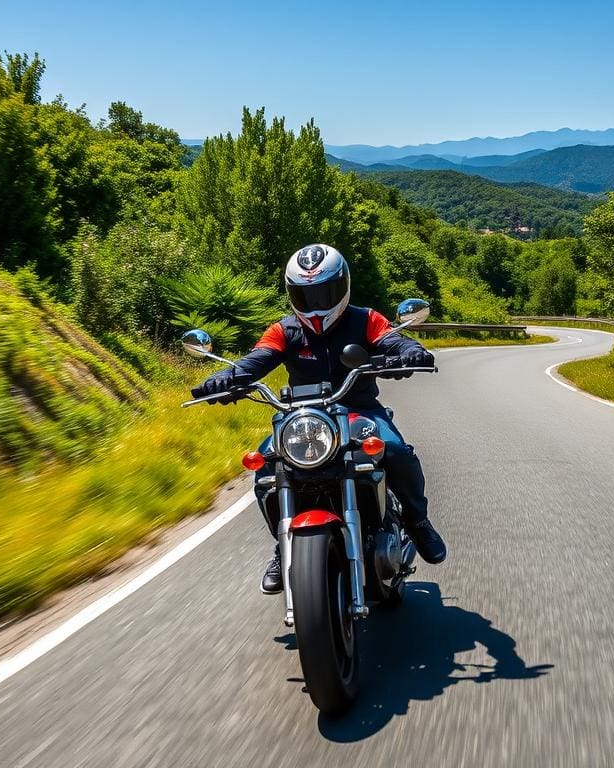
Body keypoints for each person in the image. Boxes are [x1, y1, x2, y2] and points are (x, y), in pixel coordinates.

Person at [191, 244, 447, 594]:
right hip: (304, 418)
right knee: (266, 466)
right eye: (305, 295)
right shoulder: (283, 330)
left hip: (359, 411)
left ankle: (418, 522)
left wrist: (409, 354)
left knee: (395, 449)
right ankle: (284, 547)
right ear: (291, 293)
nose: (315, 303)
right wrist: (225, 379)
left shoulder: (366, 319)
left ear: (342, 287)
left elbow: (396, 341)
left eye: (324, 292)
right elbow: (255, 360)